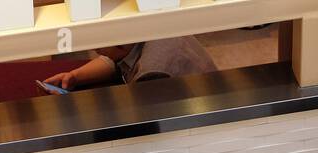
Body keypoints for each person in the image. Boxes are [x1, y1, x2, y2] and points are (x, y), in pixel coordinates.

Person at [41, 38, 216, 90]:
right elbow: (113, 61)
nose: (93, 47)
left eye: (98, 42)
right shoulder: (133, 39)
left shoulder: (151, 71)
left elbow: (140, 121)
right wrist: (74, 77)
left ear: (120, 42)